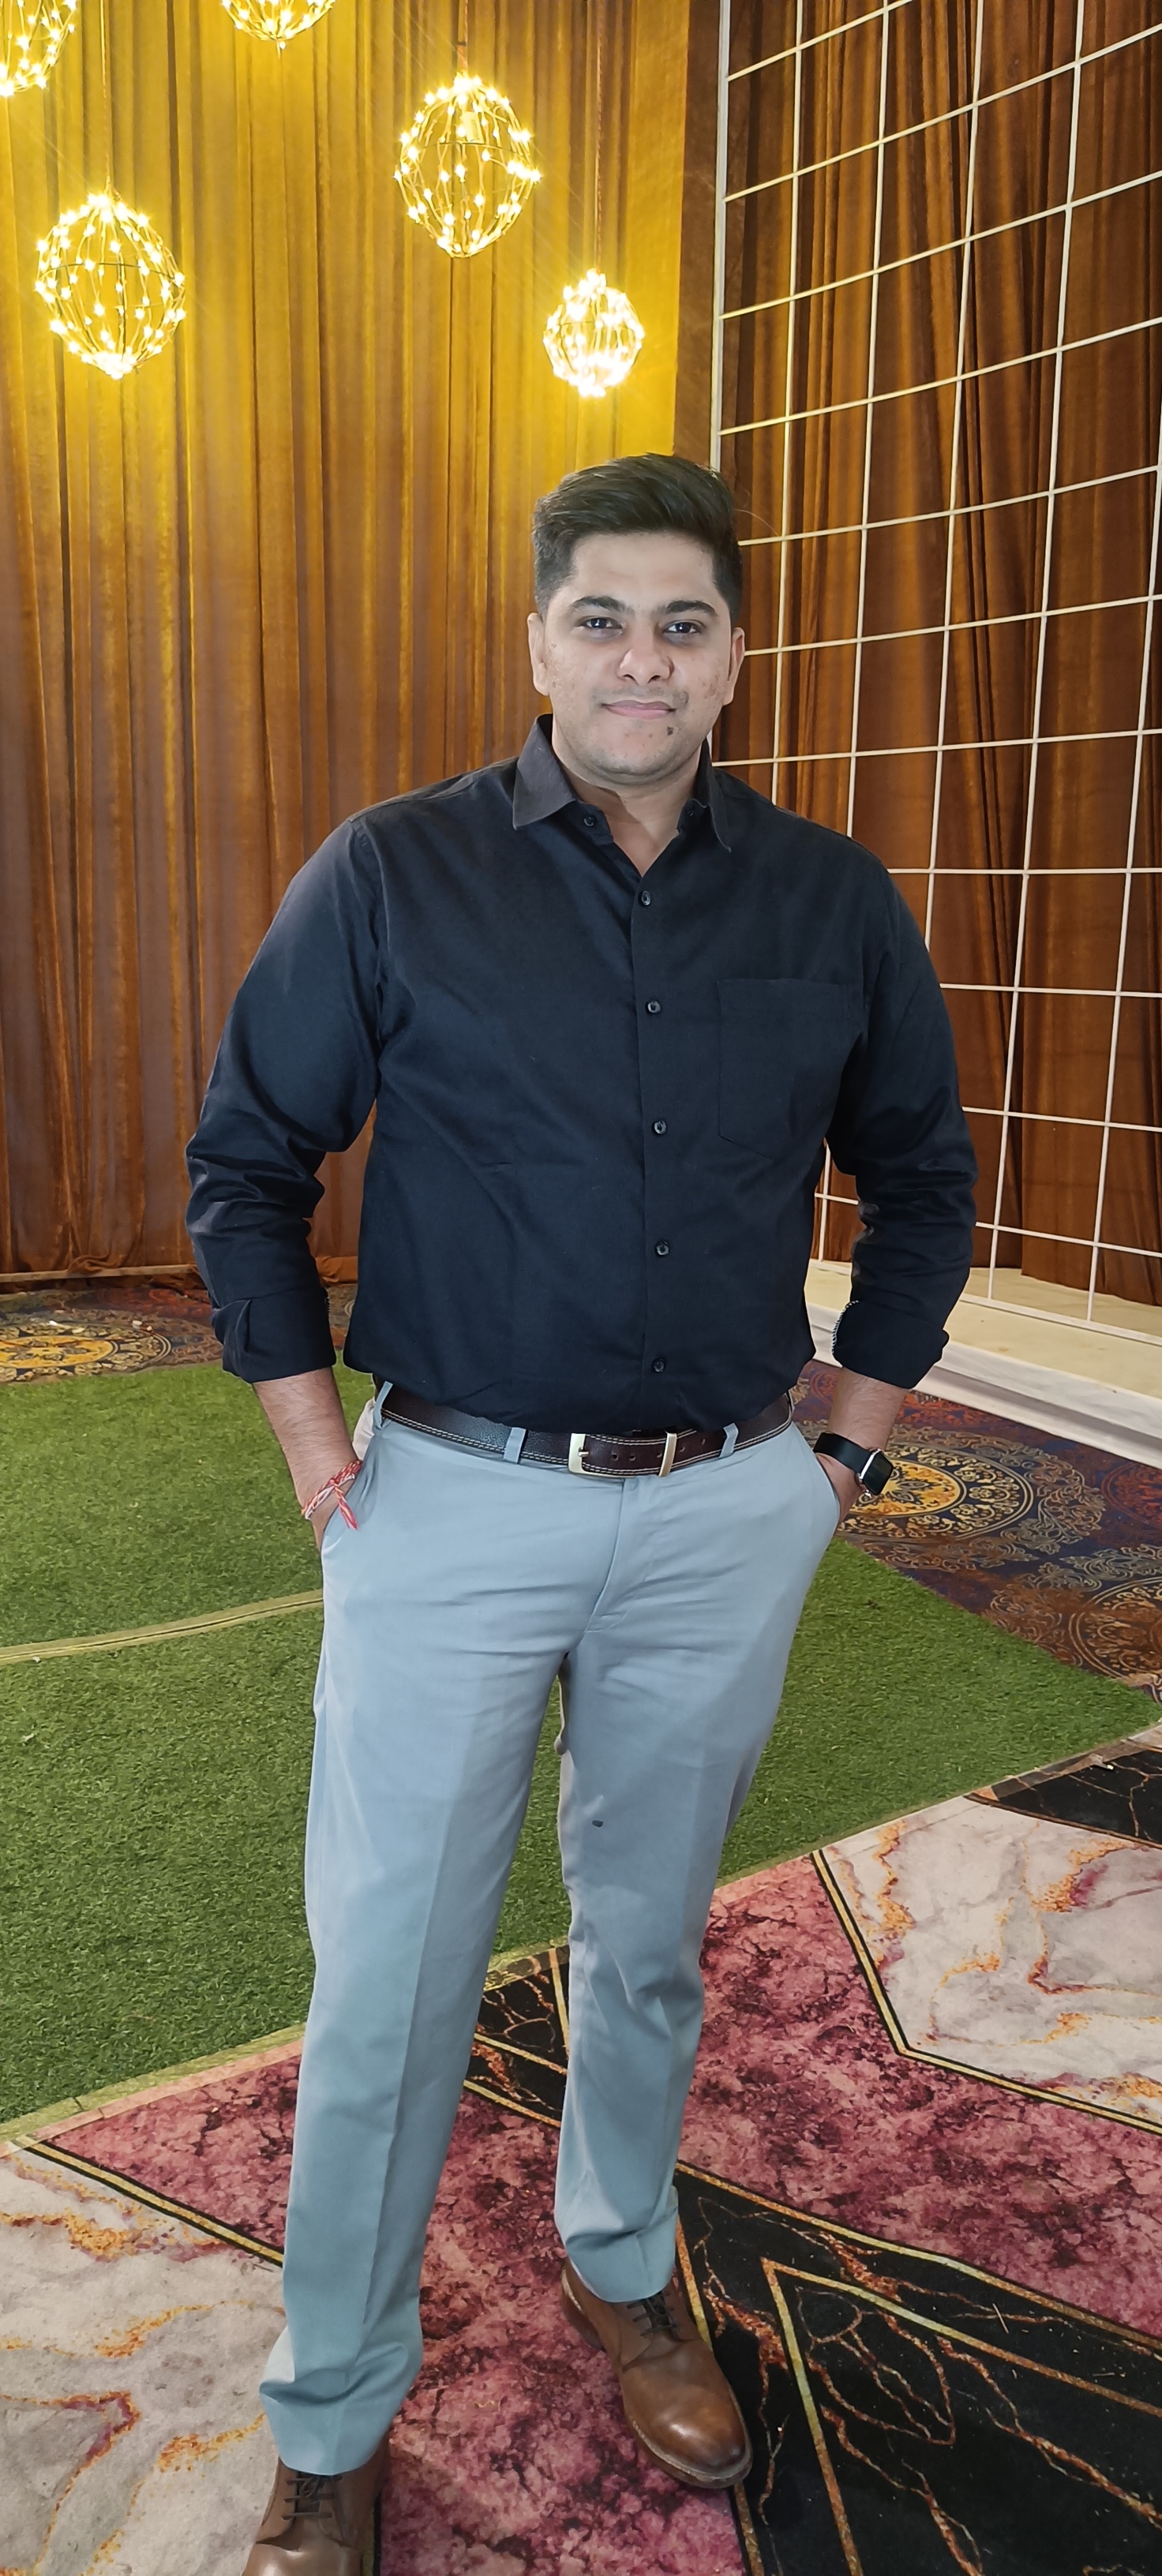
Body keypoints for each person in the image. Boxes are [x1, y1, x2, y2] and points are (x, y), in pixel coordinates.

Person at [186, 451, 976, 2574]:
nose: (644, 659)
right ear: (539, 641)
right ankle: (334, 2409)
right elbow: (248, 1158)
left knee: (649, 1943)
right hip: (448, 1500)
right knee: (389, 1978)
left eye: (683, 623)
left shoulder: (830, 901)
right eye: (603, 618)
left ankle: (623, 2263)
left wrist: (840, 1452)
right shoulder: (394, 872)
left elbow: (926, 1181)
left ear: (735, 656)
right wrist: (314, 1444)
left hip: (726, 1509)